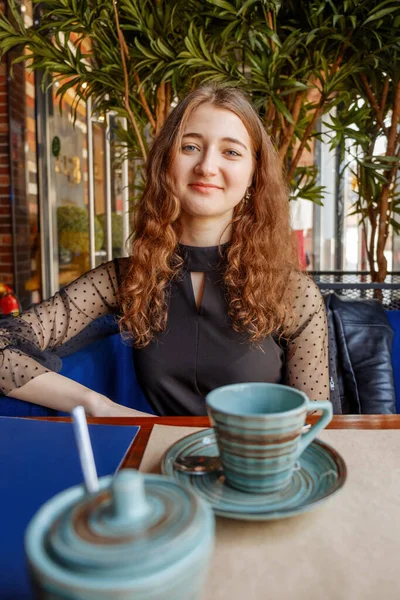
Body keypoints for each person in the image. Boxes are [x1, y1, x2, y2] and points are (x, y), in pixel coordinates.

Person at [0, 85, 329, 417]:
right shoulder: (127, 279)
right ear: (166, 162)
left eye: (231, 152)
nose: (206, 166)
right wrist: (97, 405)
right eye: (190, 146)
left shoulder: (294, 294)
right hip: (161, 462)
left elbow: (317, 428)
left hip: (261, 465)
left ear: (254, 175)